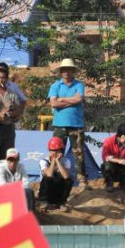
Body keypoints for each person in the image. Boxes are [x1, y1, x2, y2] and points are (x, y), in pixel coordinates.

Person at [48, 58, 87, 189]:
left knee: (79, 153)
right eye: (64, 69)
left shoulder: (79, 85)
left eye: (68, 69)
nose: (66, 72)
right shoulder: (55, 85)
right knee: (57, 152)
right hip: (59, 124)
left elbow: (79, 99)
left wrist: (62, 99)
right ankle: (56, 177)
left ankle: (82, 181)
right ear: (61, 71)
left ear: (73, 71)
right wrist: (72, 101)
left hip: (76, 124)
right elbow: (53, 103)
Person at [100, 122, 125, 200]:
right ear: (123, 135)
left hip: (124, 167)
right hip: (113, 165)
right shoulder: (109, 141)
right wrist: (118, 161)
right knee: (106, 166)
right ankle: (109, 183)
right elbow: (105, 157)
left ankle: (123, 184)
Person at [38, 136, 73, 211]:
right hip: (47, 191)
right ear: (49, 151)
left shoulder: (66, 161)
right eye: (53, 150)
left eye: (57, 150)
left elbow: (66, 176)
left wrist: (58, 161)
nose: (55, 153)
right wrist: (53, 161)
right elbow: (48, 174)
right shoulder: (43, 161)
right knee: (47, 178)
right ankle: (44, 203)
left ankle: (61, 203)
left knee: (69, 180)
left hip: (59, 191)